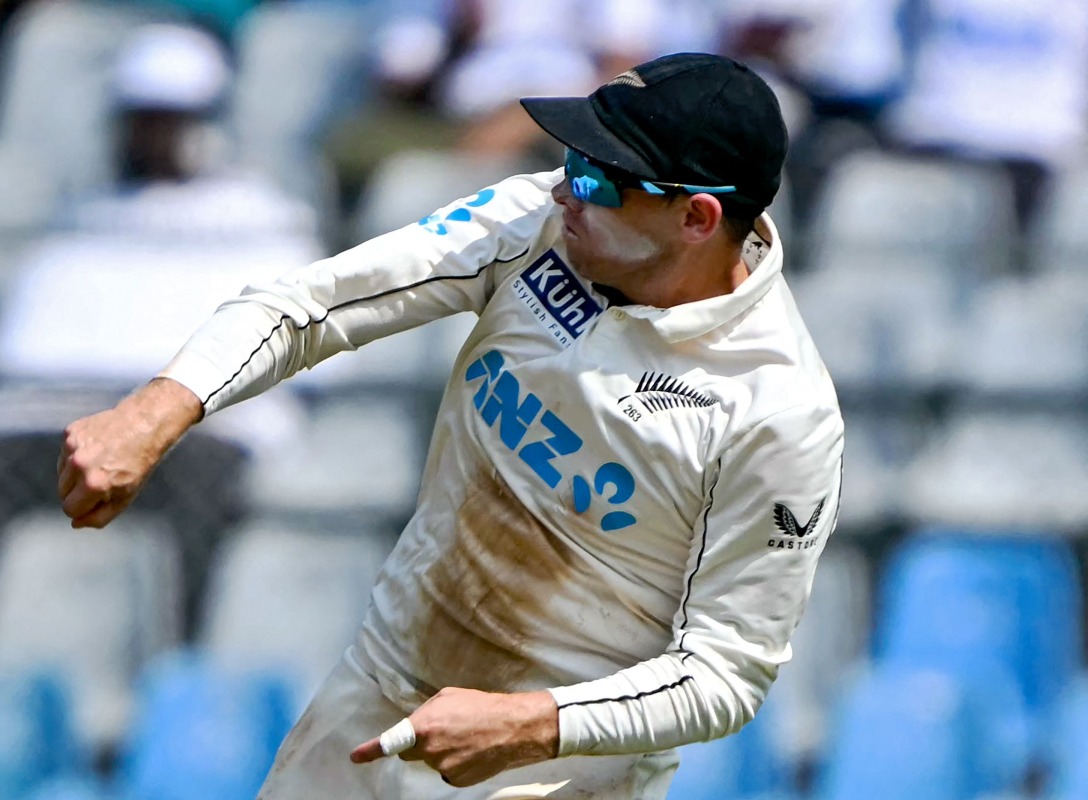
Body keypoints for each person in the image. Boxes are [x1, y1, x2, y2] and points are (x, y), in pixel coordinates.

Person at [58, 53, 844, 798]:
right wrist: (153, 413)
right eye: (570, 158)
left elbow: (724, 674)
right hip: (375, 691)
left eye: (601, 178)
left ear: (698, 218)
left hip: (557, 770)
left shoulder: (779, 413)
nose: (566, 188)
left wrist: (532, 722)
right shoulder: (541, 224)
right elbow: (310, 306)